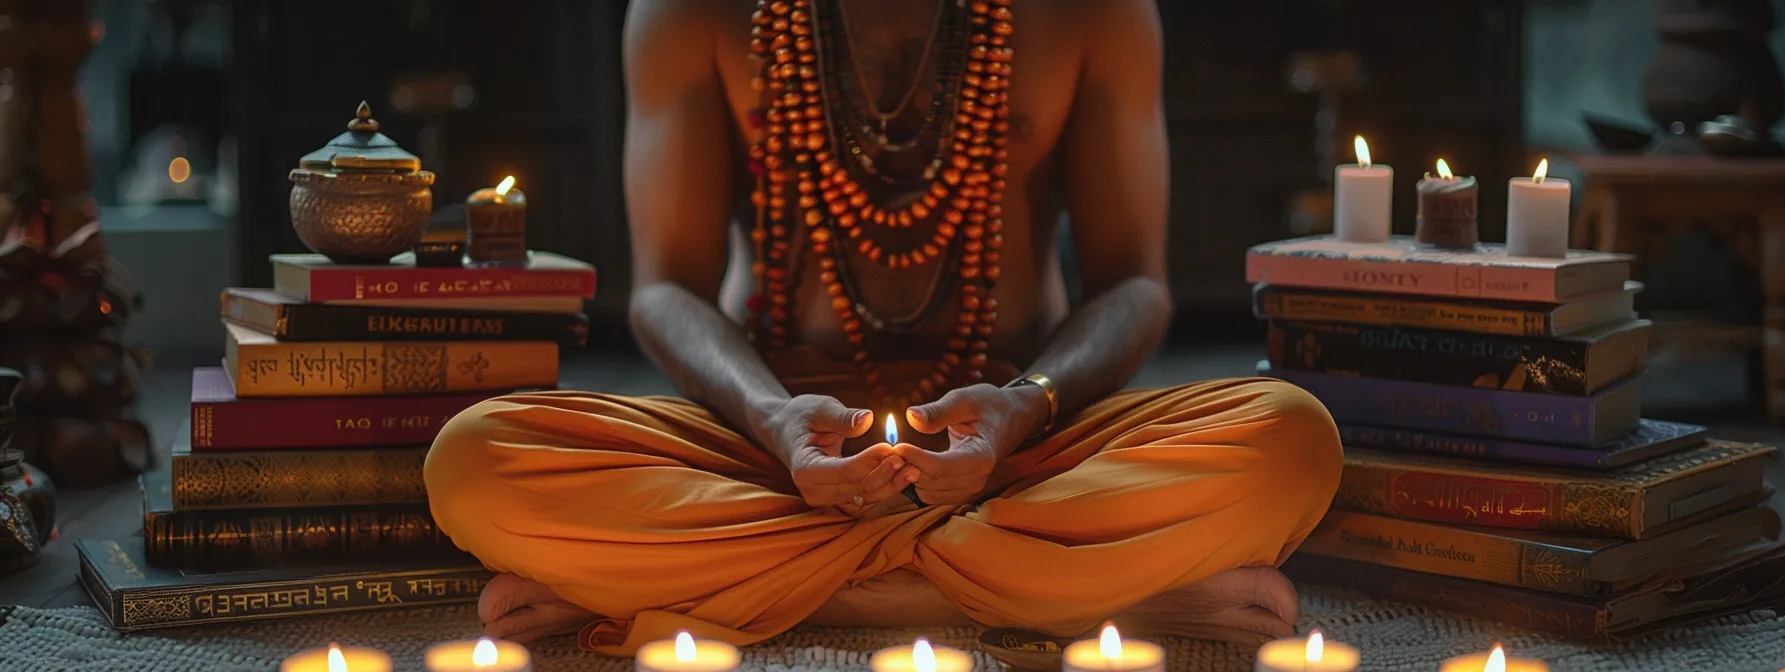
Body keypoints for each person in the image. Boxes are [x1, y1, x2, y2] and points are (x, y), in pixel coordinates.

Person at [424, 0, 1343, 656]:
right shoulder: (687, 11)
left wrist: (1026, 406)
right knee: (476, 457)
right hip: (770, 447)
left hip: (1027, 441)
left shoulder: (1092, 11)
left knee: (1290, 437)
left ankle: (700, 587)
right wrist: (771, 419)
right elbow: (665, 288)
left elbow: (1135, 284)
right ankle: (1104, 585)